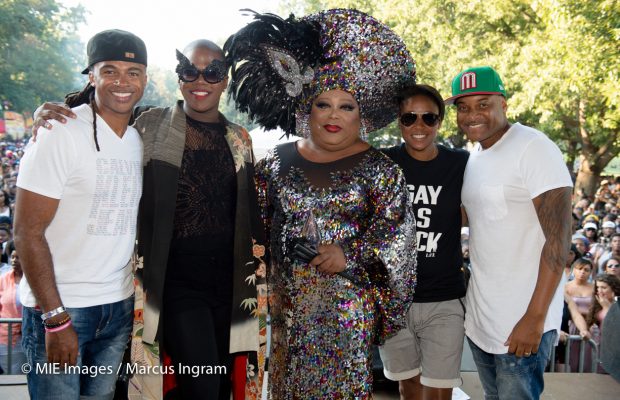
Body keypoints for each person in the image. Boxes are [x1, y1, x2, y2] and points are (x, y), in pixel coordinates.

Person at [32, 40, 267, 400]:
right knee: (201, 384)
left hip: (234, 288)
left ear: (225, 79)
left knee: (223, 385)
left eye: (213, 71)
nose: (200, 79)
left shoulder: (240, 139)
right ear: (178, 77)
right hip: (176, 286)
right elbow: (101, 115)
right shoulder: (150, 124)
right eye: (190, 70)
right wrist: (49, 112)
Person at [225, 9, 417, 398]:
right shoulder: (276, 162)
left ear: (360, 115)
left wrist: (351, 253)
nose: (333, 115)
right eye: (322, 104)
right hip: (287, 312)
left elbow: (398, 235)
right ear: (305, 109)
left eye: (346, 106)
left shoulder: (381, 169)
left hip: (347, 314)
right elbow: (253, 229)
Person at [13, 29, 147, 399]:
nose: (122, 81)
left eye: (133, 72)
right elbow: (26, 232)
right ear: (92, 75)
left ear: (145, 79)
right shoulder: (60, 131)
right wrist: (55, 319)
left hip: (118, 307)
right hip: (61, 308)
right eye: (110, 70)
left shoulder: (140, 138)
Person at [446, 66, 573, 399]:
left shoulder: (534, 147)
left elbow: (559, 243)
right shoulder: (475, 156)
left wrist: (534, 318)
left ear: (503, 103)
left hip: (523, 322)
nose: (472, 115)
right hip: (482, 319)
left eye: (483, 103)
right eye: (463, 107)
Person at [378, 84, 468, 400]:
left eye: (428, 118)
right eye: (409, 118)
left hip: (444, 299)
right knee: (408, 388)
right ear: (399, 121)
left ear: (439, 122)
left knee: (439, 391)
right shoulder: (382, 164)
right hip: (394, 300)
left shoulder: (461, 164)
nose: (419, 126)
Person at [0, 241, 26, 374]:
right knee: (10, 375)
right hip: (6, 338)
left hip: (30, 337)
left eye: (19, 257)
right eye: (13, 257)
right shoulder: (3, 279)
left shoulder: (34, 279)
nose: (14, 260)